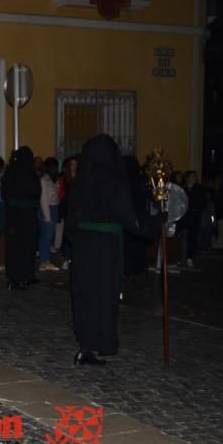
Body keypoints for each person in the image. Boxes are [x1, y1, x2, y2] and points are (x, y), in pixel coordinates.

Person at [66, 134, 164, 365]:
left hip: (83, 248)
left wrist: (79, 240)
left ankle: (86, 345)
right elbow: (130, 219)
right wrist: (155, 222)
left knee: (86, 295)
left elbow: (70, 221)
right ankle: (100, 343)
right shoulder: (112, 182)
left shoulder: (80, 182)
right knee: (103, 294)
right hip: (106, 249)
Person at [2, 147, 41, 290]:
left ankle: (14, 277)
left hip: (13, 215)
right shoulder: (30, 174)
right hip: (28, 216)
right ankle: (25, 276)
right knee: (27, 246)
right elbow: (37, 192)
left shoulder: (11, 172)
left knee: (14, 247)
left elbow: (5, 191)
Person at [38, 157, 61, 271]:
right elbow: (43, 200)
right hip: (47, 209)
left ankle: (45, 259)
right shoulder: (44, 180)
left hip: (54, 208)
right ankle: (44, 261)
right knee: (46, 236)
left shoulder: (54, 179)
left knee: (49, 236)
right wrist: (47, 216)